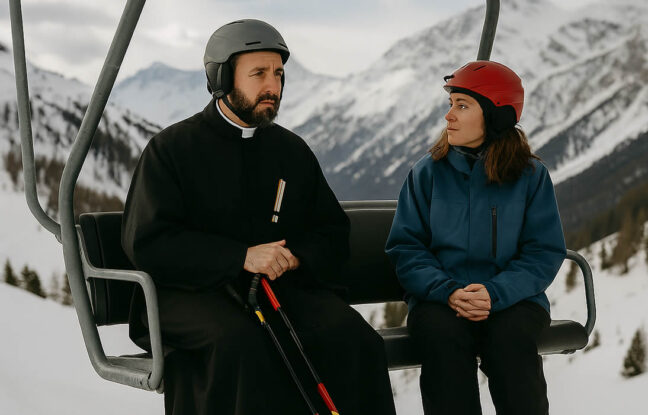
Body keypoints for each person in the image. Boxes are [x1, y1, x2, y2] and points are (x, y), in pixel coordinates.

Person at [121, 19, 396, 415]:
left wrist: (295, 256)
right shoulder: (173, 149)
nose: (273, 86)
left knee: (356, 339)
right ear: (221, 78)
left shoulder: (291, 152)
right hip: (189, 292)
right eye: (259, 73)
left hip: (277, 289)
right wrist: (241, 257)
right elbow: (149, 242)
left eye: (279, 74)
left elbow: (331, 230)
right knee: (241, 345)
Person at [385, 61, 566, 415]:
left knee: (511, 342)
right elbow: (406, 248)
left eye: (462, 105)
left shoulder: (529, 176)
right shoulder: (428, 173)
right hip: (441, 300)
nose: (449, 116)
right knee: (442, 341)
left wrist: (495, 292)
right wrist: (448, 291)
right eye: (451, 104)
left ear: (496, 116)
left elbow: (542, 252)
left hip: (513, 299)